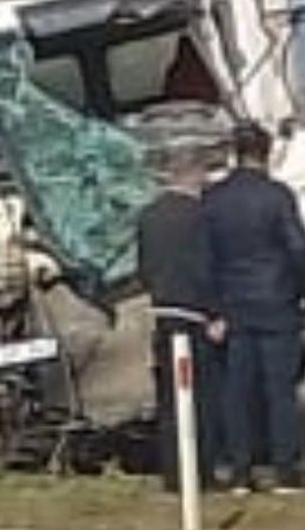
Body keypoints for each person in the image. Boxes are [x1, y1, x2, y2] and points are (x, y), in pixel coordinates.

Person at [200, 122, 305, 495]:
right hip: (277, 302)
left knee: (237, 391)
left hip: (232, 305)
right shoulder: (278, 196)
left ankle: (240, 470)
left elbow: (206, 258)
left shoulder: (213, 198)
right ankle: (284, 471)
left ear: (235, 152)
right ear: (265, 154)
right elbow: (298, 248)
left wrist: (213, 309)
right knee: (280, 391)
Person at [137, 147, 224, 492]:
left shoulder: (148, 216)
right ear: (192, 176)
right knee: (200, 398)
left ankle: (172, 472)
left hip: (162, 312)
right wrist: (216, 313)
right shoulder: (200, 216)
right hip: (195, 314)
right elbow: (206, 268)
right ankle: (201, 471)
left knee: (170, 399)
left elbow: (144, 267)